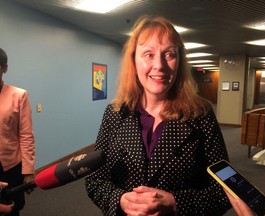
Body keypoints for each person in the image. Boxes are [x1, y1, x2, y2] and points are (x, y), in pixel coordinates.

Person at [85, 16, 231, 216]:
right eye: (148, 54)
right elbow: (95, 179)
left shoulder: (201, 114)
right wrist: (120, 200)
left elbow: (226, 189)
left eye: (169, 54)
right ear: (134, 63)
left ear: (179, 62)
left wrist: (174, 202)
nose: (159, 65)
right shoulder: (115, 112)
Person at [0, 48, 35, 216]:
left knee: (13, 207)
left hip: (11, 165)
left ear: (4, 68)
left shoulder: (19, 95)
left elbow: (26, 135)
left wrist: (28, 171)